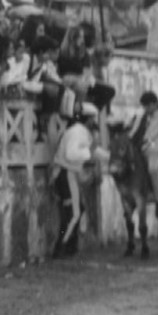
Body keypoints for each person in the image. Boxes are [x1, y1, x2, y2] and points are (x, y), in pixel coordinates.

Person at [51, 102, 101, 258]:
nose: (95, 122)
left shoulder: (81, 132)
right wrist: (89, 152)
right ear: (88, 119)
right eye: (93, 119)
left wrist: (107, 155)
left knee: (75, 211)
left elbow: (90, 151)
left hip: (68, 174)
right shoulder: (77, 132)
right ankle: (61, 247)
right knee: (73, 214)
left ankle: (70, 246)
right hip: (66, 173)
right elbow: (71, 154)